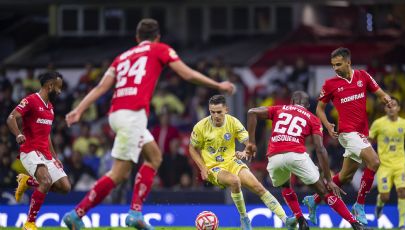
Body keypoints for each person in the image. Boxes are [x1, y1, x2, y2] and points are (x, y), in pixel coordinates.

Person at [62, 18, 235, 230]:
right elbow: (187, 74)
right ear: (157, 37)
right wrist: (218, 84)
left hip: (117, 113)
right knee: (119, 173)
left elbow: (100, 87)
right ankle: (77, 214)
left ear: (137, 38)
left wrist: (79, 109)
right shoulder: (159, 49)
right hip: (133, 116)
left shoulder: (122, 57)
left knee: (154, 156)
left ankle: (135, 212)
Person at [246, 91, 364, 230]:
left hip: (274, 156)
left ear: (291, 102)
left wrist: (252, 142)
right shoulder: (313, 118)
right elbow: (320, 149)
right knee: (324, 192)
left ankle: (300, 219)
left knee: (285, 186)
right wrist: (328, 179)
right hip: (296, 155)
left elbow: (252, 112)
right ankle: (355, 224)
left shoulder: (279, 108)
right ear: (307, 105)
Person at [303, 47, 393, 225]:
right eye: (333, 65)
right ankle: (359, 205)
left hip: (361, 133)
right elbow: (319, 108)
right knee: (374, 162)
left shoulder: (363, 76)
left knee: (344, 177)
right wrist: (327, 125)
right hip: (347, 133)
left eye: (338, 64)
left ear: (348, 62)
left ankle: (314, 199)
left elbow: (381, 93)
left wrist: (387, 100)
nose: (335, 68)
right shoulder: (330, 84)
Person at [189, 95, 297, 230]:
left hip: (232, 162)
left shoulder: (233, 122)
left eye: (219, 112)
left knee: (258, 187)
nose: (215, 115)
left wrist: (246, 151)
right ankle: (244, 219)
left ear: (226, 110)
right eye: (212, 112)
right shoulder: (201, 127)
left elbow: (248, 142)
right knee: (234, 181)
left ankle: (286, 220)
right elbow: (192, 148)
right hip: (214, 168)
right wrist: (203, 168)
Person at [7, 71, 71, 230]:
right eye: (58, 87)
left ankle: (27, 181)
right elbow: (11, 118)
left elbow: (47, 135)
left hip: (46, 154)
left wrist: (55, 157)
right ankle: (29, 223)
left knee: (65, 188)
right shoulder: (31, 100)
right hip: (29, 150)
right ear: (50, 86)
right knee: (46, 181)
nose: (60, 91)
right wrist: (18, 134)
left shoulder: (51, 108)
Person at [369, 97, 405, 230]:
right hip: (384, 165)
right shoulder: (378, 123)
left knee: (402, 192)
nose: (391, 108)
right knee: (385, 197)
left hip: (400, 165)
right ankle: (379, 205)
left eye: (394, 105)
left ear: (398, 108)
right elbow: (369, 140)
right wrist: (369, 156)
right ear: (385, 109)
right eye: (388, 106)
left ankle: (402, 224)